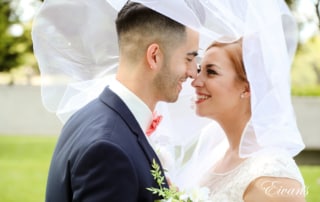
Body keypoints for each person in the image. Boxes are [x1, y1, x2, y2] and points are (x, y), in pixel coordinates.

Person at [35, 1, 199, 201]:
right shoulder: (108, 149)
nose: (193, 73)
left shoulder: (89, 115)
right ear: (154, 56)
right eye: (189, 59)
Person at [189, 38, 306, 201]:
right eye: (200, 70)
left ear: (247, 87)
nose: (195, 82)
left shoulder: (273, 175)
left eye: (211, 72)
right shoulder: (215, 156)